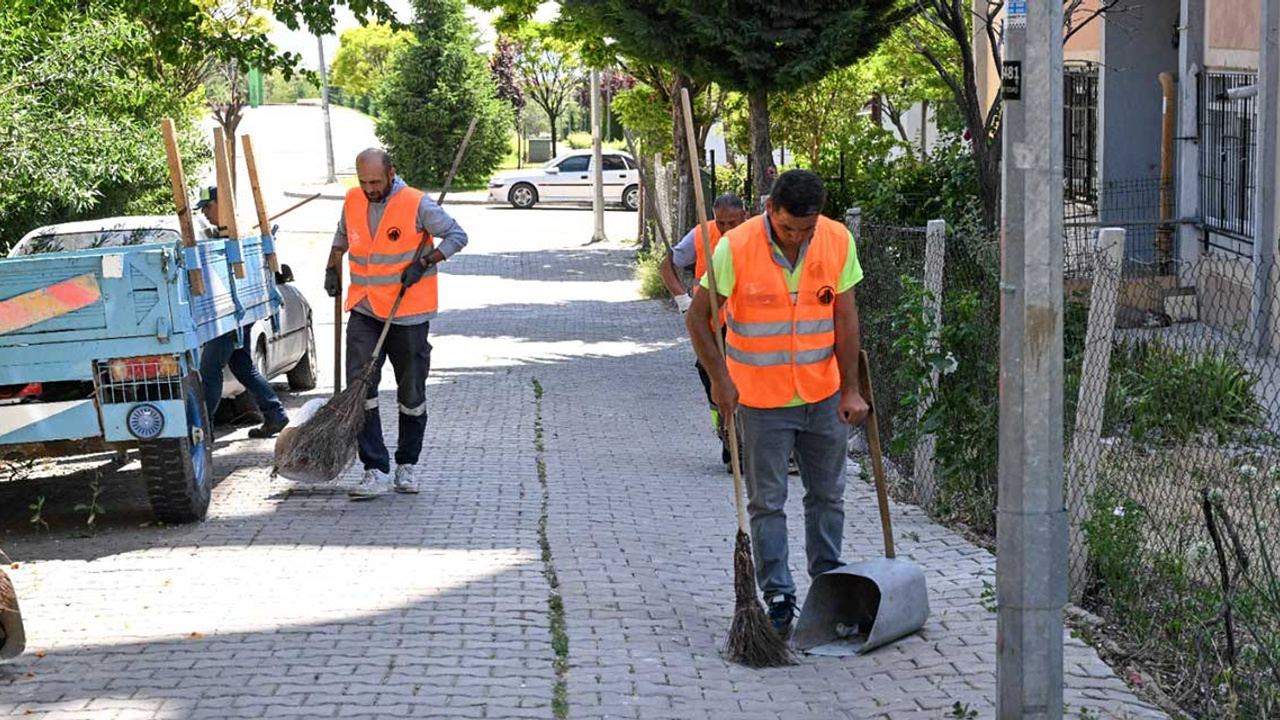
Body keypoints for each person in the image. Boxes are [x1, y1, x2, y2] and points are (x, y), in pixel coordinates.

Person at [685, 170, 869, 639]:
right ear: (770, 210)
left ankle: (829, 585)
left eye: (806, 229)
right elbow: (697, 318)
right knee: (767, 502)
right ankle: (779, 597)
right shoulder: (735, 247)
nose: (798, 238)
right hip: (760, 399)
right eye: (789, 228)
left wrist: (850, 388)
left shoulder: (836, 240)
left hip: (822, 393)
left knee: (828, 496)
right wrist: (719, 380)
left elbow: (844, 317)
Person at [326, 148, 468, 500]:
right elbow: (343, 235)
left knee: (411, 394)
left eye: (375, 181)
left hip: (408, 313)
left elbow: (457, 236)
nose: (369, 189)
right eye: (363, 182)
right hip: (365, 309)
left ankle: (408, 465)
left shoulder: (417, 203)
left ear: (392, 173)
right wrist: (332, 265)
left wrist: (426, 261)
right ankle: (375, 469)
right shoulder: (353, 200)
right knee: (360, 390)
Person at [658, 194, 747, 468]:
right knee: (712, 379)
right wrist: (682, 299)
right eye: (721, 223)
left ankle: (742, 445)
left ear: (745, 215)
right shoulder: (701, 234)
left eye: (733, 222)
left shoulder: (757, 236)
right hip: (710, 325)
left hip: (745, 324)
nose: (727, 229)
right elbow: (666, 265)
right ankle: (728, 436)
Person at [194, 186, 290, 439]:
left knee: (210, 369)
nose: (204, 213)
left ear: (221, 204)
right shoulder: (229, 234)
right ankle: (275, 415)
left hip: (229, 314)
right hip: (237, 312)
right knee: (242, 365)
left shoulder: (236, 235)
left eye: (207, 207)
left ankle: (204, 427)